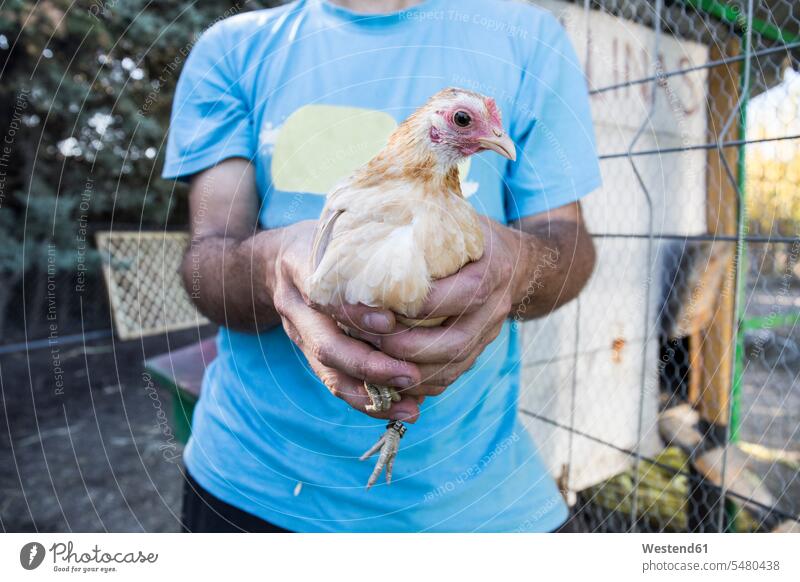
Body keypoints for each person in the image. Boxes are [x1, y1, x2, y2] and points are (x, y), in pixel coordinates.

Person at [163, 0, 601, 532]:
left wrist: (518, 263)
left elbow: (568, 247)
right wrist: (271, 264)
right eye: (465, 121)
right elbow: (209, 257)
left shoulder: (530, 36)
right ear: (437, 129)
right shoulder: (233, 49)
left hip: (479, 507)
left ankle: (396, 424)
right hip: (251, 485)